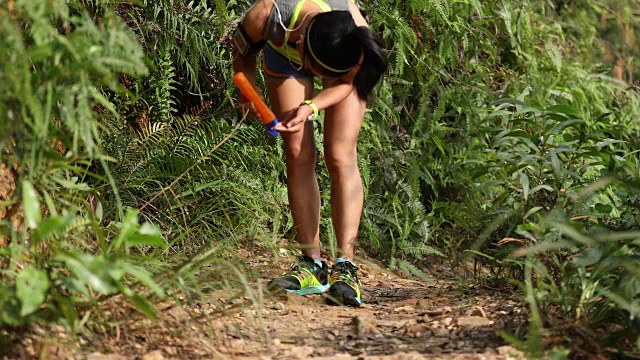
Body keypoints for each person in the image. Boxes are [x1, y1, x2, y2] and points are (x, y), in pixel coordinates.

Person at [232, 0, 386, 307]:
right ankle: (312, 264)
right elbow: (242, 55)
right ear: (301, 41)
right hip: (284, 53)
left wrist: (311, 106)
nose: (316, 78)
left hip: (342, 60)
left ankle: (346, 266)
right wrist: (247, 90)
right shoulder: (266, 15)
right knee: (298, 152)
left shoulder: (352, 30)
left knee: (340, 153)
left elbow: (347, 83)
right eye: (316, 70)